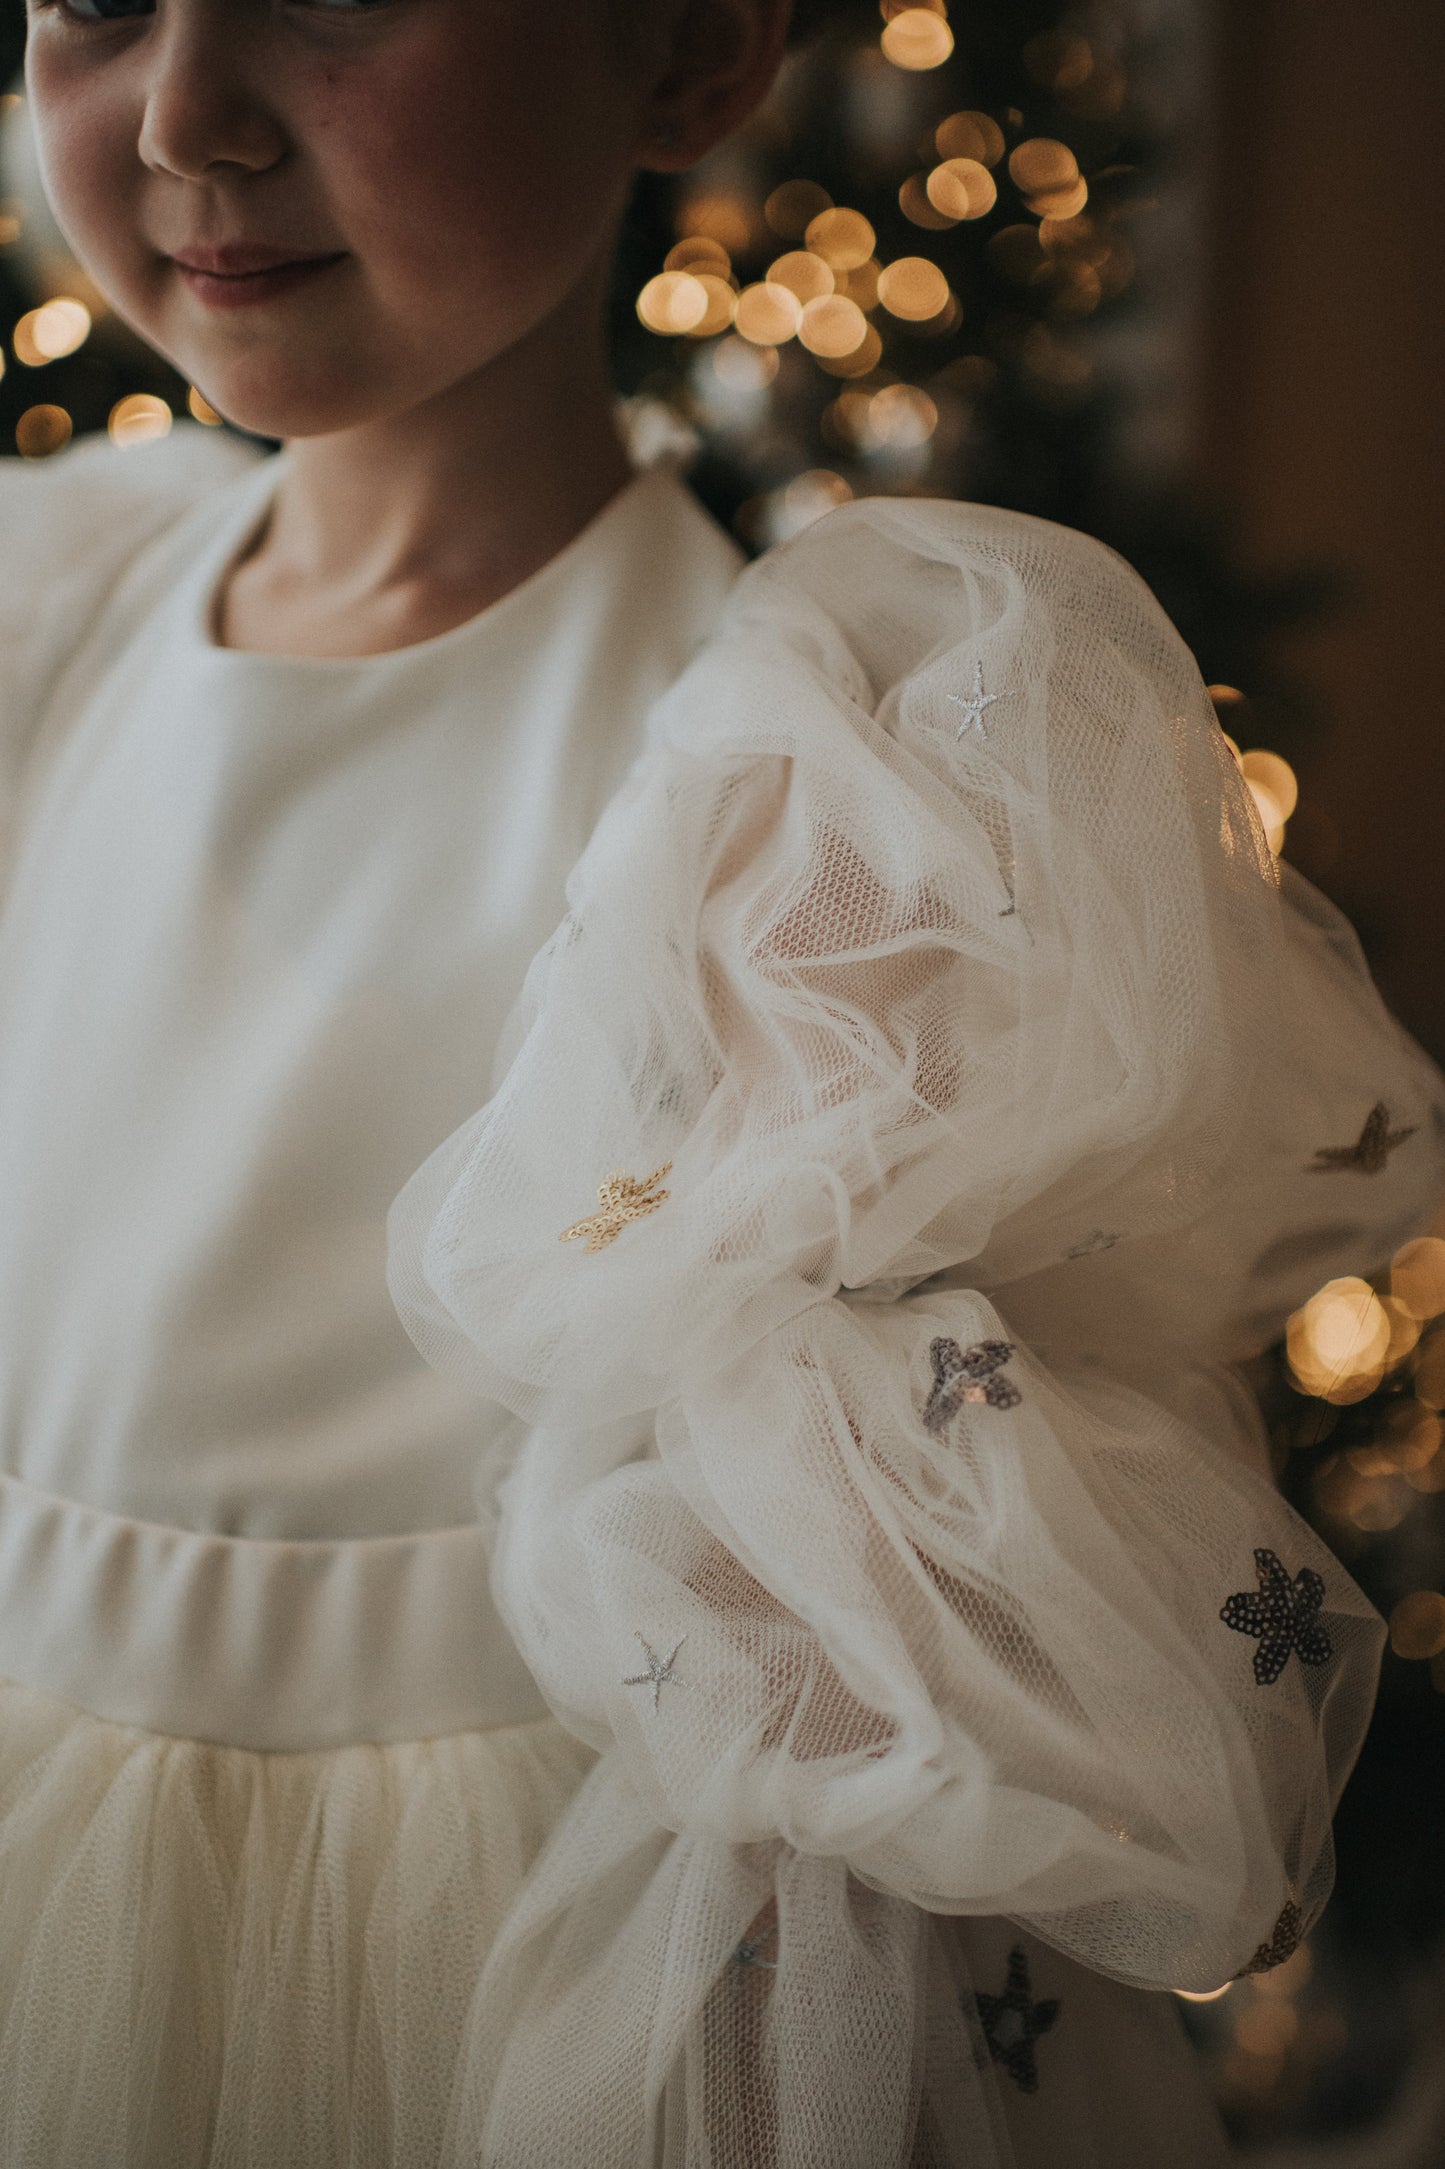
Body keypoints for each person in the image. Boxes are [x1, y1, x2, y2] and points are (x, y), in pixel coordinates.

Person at [3, 0, 1440, 2163]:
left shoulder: (802, 795)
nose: (190, 114)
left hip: (459, 1953)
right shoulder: (54, 604)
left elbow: (823, 1677)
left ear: (682, 57)